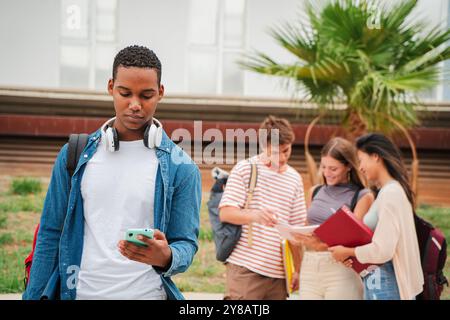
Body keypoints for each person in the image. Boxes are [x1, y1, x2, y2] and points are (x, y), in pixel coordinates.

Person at [23, 45, 201, 300]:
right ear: (110, 87)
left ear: (161, 93)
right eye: (125, 93)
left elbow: (186, 243)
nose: (135, 105)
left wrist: (167, 256)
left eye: (146, 95)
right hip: (80, 294)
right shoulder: (74, 154)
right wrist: (33, 295)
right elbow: (50, 232)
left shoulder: (182, 168)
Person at [218, 116, 307, 300]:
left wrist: (298, 270)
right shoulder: (245, 169)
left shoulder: (295, 178)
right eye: (275, 152)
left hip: (280, 276)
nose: (282, 158)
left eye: (286, 151)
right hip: (246, 270)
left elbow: (296, 233)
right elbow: (225, 213)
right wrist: (255, 215)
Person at [329, 133, 424, 300]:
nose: (360, 167)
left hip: (387, 283)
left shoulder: (391, 193)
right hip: (378, 280)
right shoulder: (388, 191)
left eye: (361, 160)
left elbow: (383, 250)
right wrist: (351, 255)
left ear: (375, 156)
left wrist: (347, 251)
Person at [293, 137, 374, 300]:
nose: (327, 173)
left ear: (348, 166)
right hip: (310, 266)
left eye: (333, 169)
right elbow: (307, 225)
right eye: (323, 167)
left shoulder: (362, 196)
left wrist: (319, 244)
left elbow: (354, 240)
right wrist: (298, 235)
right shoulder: (315, 191)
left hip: (341, 270)